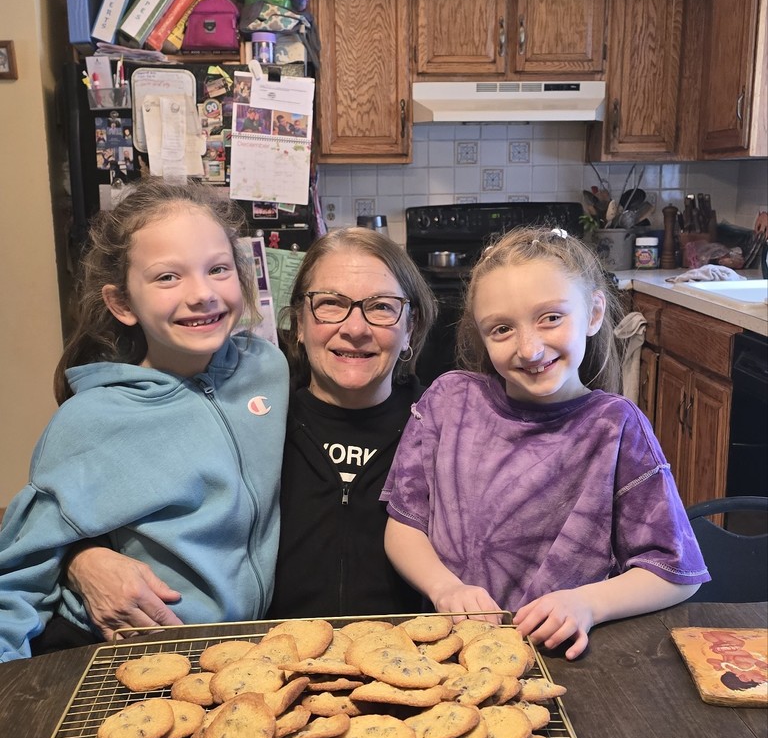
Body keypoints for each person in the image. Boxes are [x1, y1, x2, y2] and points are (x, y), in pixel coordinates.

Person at [64, 226, 438, 637]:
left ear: (411, 327)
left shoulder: (447, 429)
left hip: (416, 666)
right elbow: (106, 510)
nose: (355, 328)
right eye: (330, 304)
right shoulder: (246, 420)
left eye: (382, 307)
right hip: (269, 671)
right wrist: (83, 558)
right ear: (298, 322)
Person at [382, 226, 709, 660]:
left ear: (593, 313)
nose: (530, 349)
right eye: (501, 329)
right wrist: (444, 587)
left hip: (569, 663)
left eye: (551, 317)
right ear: (481, 336)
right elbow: (404, 525)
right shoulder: (447, 403)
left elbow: (675, 572)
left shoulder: (615, 428)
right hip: (456, 653)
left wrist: (588, 604)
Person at [0, 179, 289, 662]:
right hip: (125, 655)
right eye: (167, 277)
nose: (202, 294)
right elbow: (18, 573)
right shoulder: (90, 421)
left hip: (238, 656)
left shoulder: (267, 368)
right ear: (122, 304)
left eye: (218, 269)